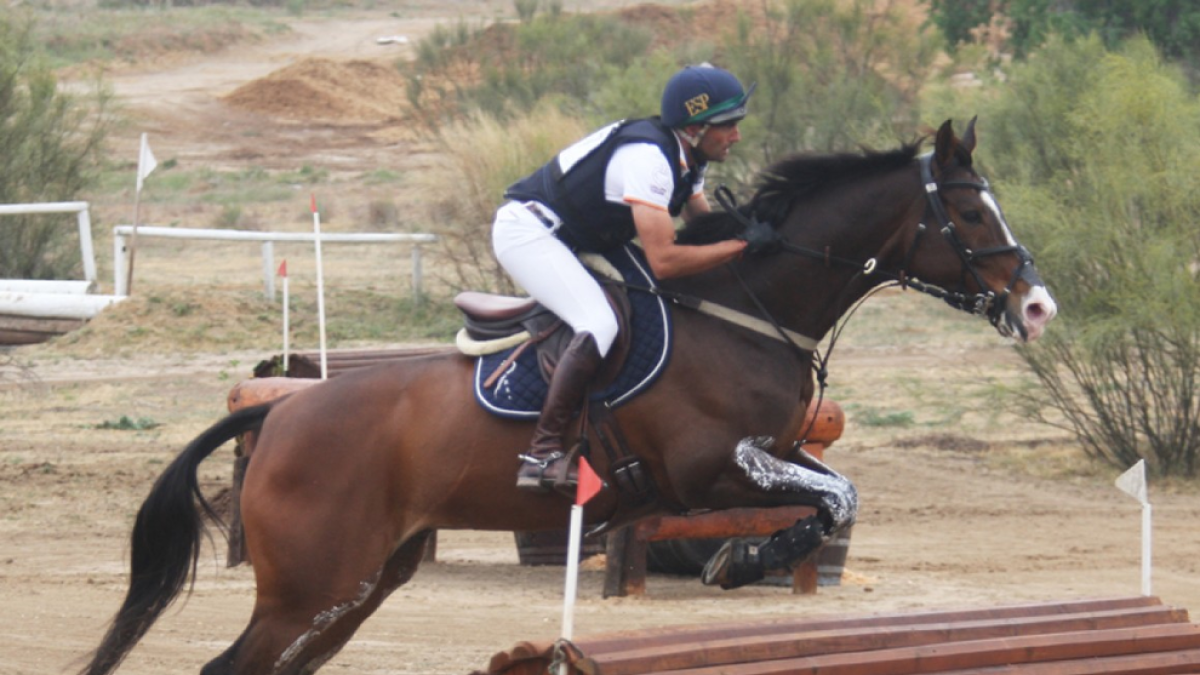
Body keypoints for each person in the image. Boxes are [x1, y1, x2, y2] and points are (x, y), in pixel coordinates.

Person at [493, 63, 761, 493]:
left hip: (582, 236)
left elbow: (702, 227)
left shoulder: (689, 157)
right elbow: (666, 261)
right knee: (599, 323)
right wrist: (744, 248)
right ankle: (540, 453)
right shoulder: (649, 159)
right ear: (694, 128)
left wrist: (747, 235)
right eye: (728, 126)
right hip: (530, 233)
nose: (737, 135)